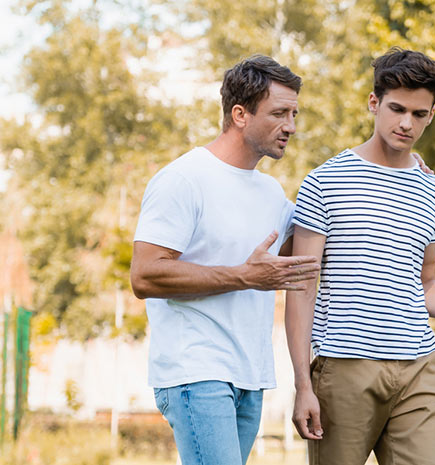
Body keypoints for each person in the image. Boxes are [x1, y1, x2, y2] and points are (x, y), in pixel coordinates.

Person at [285, 47, 435, 465]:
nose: (406, 123)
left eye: (419, 114)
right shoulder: (325, 182)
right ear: (374, 103)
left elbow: (425, 283)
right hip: (344, 365)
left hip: (420, 367)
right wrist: (303, 383)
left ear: (432, 115)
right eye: (397, 109)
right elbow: (303, 289)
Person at [129, 54, 320, 465]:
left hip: (250, 375)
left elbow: (319, 246)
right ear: (240, 114)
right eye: (279, 113)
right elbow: (145, 275)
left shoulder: (271, 194)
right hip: (196, 370)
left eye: (294, 114)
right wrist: (243, 276)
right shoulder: (183, 179)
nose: (291, 126)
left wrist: (403, 167)